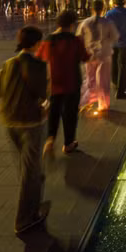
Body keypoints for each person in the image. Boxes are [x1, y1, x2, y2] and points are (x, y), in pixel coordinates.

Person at [0, 26, 50, 234]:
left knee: (26, 169)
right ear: (36, 44)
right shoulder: (38, 65)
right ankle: (25, 219)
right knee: (31, 172)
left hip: (8, 120)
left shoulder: (8, 63)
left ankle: (33, 204)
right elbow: (43, 93)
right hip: (30, 122)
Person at [37, 11, 91, 157]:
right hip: (72, 82)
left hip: (54, 83)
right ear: (72, 24)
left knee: (53, 111)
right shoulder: (75, 40)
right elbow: (85, 57)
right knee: (70, 113)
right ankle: (68, 144)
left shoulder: (48, 40)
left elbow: (39, 58)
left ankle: (50, 139)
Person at [78, 0, 119, 112]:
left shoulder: (85, 23)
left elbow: (79, 38)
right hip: (104, 54)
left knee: (90, 79)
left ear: (92, 8)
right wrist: (105, 41)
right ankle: (103, 105)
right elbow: (115, 37)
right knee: (103, 80)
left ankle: (87, 101)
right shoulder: (108, 22)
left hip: (89, 55)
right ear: (103, 9)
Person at [105, 0, 126, 99]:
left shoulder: (109, 13)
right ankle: (121, 91)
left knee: (114, 64)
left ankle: (115, 83)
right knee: (123, 66)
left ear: (114, 2)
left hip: (112, 43)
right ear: (124, 2)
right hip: (125, 43)